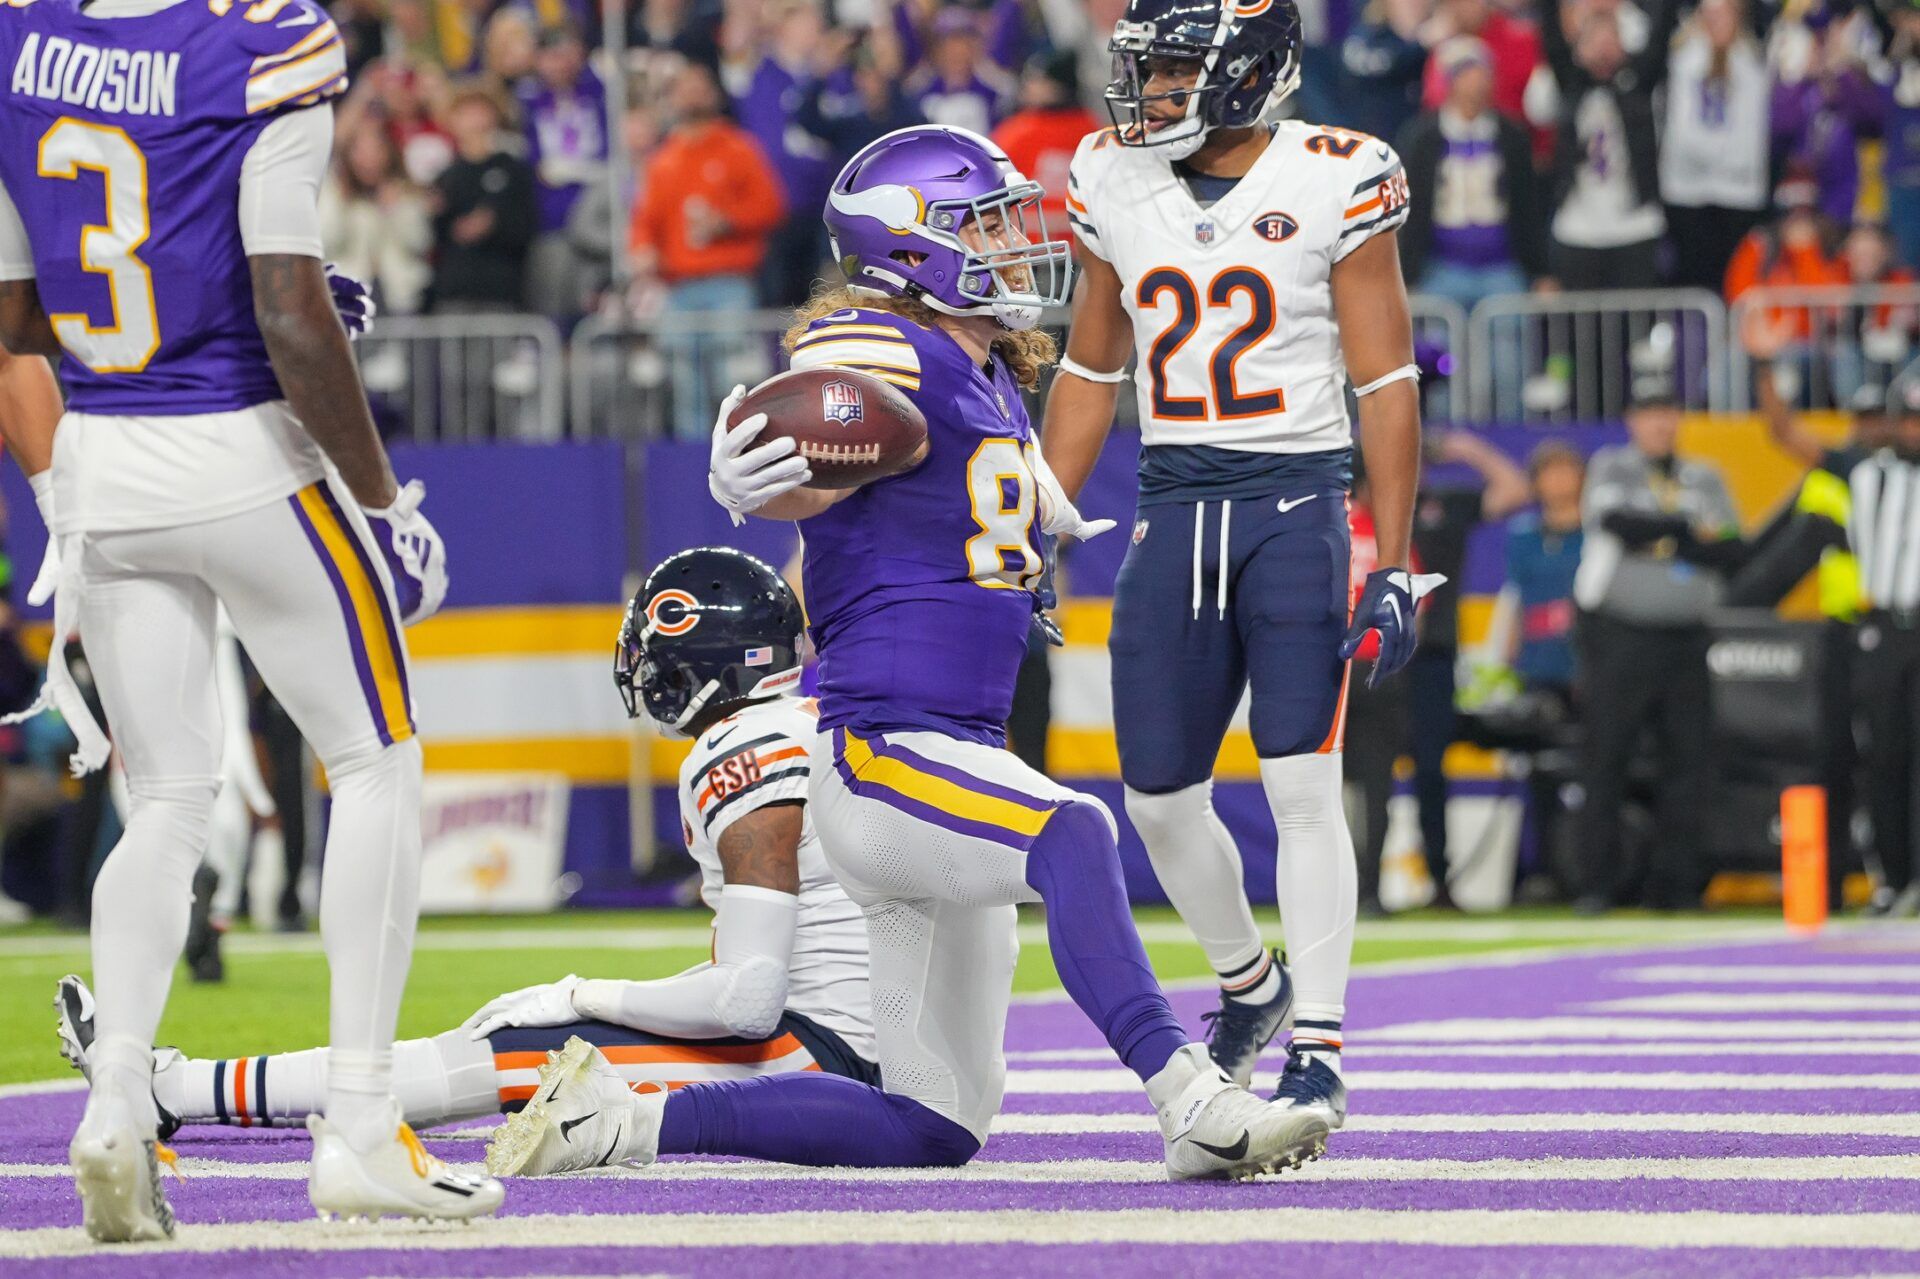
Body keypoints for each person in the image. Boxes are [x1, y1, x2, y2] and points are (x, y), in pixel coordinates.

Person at [493, 124, 1331, 1182]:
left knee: (933, 1125)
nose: (1015, 242)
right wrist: (760, 462)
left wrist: (1031, 508)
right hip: (884, 750)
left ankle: (621, 1122)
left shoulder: (983, 378)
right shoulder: (884, 340)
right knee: (1073, 829)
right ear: (912, 247)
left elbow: (912, 482)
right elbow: (837, 410)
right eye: (983, 222)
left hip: (941, 756)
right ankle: (1191, 1099)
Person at [0, 0, 495, 1238]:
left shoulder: (16, 37)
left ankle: (117, 1096)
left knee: (167, 798)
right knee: (376, 756)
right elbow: (286, 305)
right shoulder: (263, 38)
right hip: (236, 449)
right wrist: (384, 501)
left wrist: (61, 491)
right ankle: (366, 1127)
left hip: (103, 455)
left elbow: (14, 322)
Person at [55, 549, 883, 1130]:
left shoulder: (743, 749)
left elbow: (745, 999)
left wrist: (582, 992)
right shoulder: (802, 723)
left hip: (814, 1064)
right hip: (845, 1045)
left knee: (502, 1057)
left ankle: (176, 1089)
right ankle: (176, 1084)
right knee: (511, 1050)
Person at [1040, 0, 1436, 1129]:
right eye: (1147, 72)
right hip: (1173, 501)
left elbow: (1385, 383)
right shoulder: (1110, 176)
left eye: (1172, 73)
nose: (1150, 94)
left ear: (1249, 75)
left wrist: (1393, 559)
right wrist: (1040, 526)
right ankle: (1249, 983)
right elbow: (1088, 369)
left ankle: (1318, 1044)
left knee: (1302, 782)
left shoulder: (1337, 173)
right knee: (1156, 797)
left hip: (1295, 499)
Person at [1571, 385, 1739, 914]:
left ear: (1679, 418)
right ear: (1631, 420)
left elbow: (1732, 545)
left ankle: (1679, 887)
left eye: (1668, 412)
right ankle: (1597, 886)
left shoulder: (1704, 475)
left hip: (1688, 638)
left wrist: (1663, 536)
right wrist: (1686, 531)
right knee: (1607, 759)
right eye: (1649, 414)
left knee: (1689, 762)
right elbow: (1617, 522)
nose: (1659, 424)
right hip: (1621, 635)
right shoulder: (1613, 467)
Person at [628, 59, 785, 436]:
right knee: (685, 386)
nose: (693, 94)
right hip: (678, 287)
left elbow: (771, 205)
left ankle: (740, 454)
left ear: (713, 94)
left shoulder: (738, 149)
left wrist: (727, 221)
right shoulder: (663, 161)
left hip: (728, 282)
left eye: (700, 86)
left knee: (732, 383)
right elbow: (644, 222)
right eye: (685, 86)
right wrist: (641, 250)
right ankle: (694, 466)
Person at [1536, 0, 1681, 291]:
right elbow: (1550, 32)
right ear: (1579, 47)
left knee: (1634, 321)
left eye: (1610, 38)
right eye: (1594, 39)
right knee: (1582, 325)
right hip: (1578, 226)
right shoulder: (1571, 84)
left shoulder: (1638, 82)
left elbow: (1662, 32)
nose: (1603, 48)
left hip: (1634, 224)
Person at [1659, 0, 1771, 293]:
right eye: (1710, 15)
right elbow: (1680, 125)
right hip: (1689, 190)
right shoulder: (1684, 59)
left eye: (1723, 14)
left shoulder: (1752, 60)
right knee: (1696, 279)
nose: (1716, 22)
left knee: (1736, 278)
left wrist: (1726, 161)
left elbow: (1751, 128)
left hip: (1738, 190)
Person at [430, 83, 538, 313]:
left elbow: (527, 224)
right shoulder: (445, 176)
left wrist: (494, 224)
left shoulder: (514, 170)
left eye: (480, 110)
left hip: (502, 291)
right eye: (465, 112)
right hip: (454, 292)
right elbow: (434, 235)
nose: (474, 119)